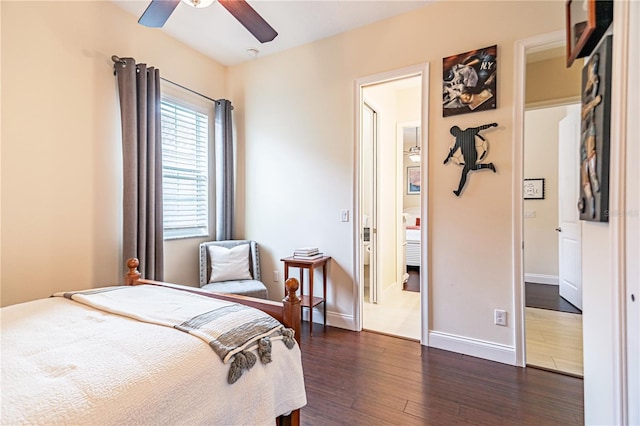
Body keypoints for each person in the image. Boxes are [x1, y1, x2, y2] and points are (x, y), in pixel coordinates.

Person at [444, 123, 498, 196]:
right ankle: (488, 166)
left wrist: (491, 125)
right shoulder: (459, 139)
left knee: (465, 173)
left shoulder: (469, 131)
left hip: (472, 154)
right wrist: (448, 158)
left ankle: (458, 191)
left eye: (453, 133)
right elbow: (454, 149)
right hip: (466, 157)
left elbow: (480, 128)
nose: (454, 135)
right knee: (472, 168)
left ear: (457, 131)